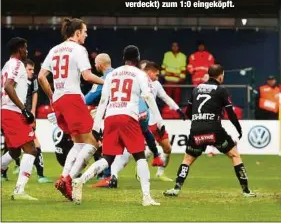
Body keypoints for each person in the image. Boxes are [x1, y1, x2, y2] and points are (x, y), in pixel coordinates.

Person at [71, 45, 164, 206]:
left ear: (123, 58)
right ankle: (146, 197)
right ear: (138, 58)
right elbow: (148, 96)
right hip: (128, 117)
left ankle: (80, 180)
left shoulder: (112, 74)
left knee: (107, 158)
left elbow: (103, 101)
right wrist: (160, 121)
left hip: (111, 117)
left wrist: (96, 126)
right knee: (140, 157)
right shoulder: (140, 74)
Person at [164, 64, 256, 197]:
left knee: (187, 159)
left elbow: (188, 112)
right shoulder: (221, 90)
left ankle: (176, 188)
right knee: (235, 155)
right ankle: (246, 191)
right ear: (220, 76)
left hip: (196, 130)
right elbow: (230, 113)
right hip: (214, 130)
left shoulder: (196, 89)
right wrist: (238, 128)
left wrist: (198, 121)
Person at [38, 18, 104, 201]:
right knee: (93, 144)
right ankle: (67, 179)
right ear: (77, 33)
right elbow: (87, 75)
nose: (86, 34)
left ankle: (63, 177)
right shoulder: (79, 49)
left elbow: (41, 76)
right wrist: (107, 82)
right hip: (72, 98)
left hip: (58, 100)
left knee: (78, 143)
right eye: (85, 31)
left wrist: (52, 96)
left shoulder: (54, 49)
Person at [0, 37, 38, 200]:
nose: (27, 51)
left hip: (7, 110)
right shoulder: (16, 64)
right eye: (25, 48)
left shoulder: (6, 65)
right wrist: (24, 110)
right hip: (13, 111)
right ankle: (19, 191)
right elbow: (8, 86)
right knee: (31, 149)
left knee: (14, 151)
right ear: (19, 49)